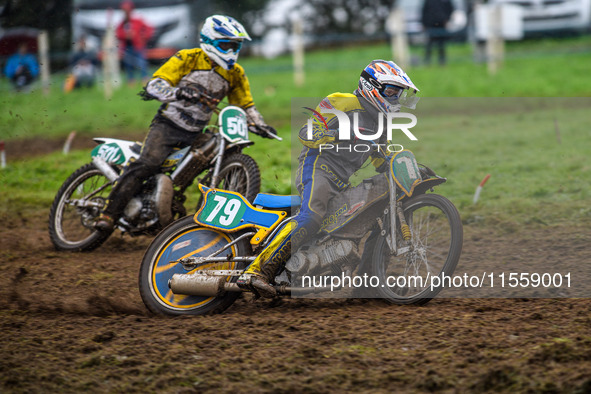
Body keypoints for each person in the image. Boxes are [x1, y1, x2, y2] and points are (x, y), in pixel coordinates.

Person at [237, 60, 420, 298]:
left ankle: (369, 287)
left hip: (343, 181)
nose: (395, 98)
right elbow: (307, 133)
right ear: (372, 86)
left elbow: (378, 158)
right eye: (392, 92)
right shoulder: (341, 101)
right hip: (317, 167)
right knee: (312, 216)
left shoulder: (381, 121)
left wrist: (400, 166)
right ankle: (257, 270)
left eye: (399, 93)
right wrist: (341, 134)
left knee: (377, 217)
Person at [95, 15, 277, 231]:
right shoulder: (188, 58)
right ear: (209, 41)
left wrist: (260, 125)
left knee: (215, 149)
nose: (230, 51)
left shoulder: (235, 73)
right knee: (149, 163)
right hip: (168, 125)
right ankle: (108, 214)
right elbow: (154, 85)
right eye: (225, 45)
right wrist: (179, 91)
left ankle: (179, 202)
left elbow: (245, 105)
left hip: (196, 131)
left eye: (235, 46)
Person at [116, 0, 154, 84]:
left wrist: (143, 37)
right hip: (127, 46)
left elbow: (149, 29)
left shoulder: (138, 20)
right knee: (128, 64)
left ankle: (144, 78)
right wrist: (125, 35)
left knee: (141, 62)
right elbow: (118, 33)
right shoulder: (122, 23)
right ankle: (131, 80)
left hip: (138, 45)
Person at [421, 0, 454, 66]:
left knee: (441, 44)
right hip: (430, 24)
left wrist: (447, 19)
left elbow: (450, 9)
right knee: (429, 45)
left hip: (441, 23)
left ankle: (442, 61)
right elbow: (424, 10)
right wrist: (424, 23)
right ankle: (427, 61)